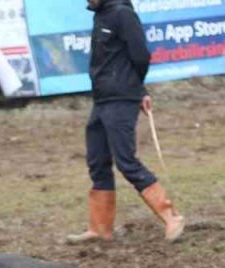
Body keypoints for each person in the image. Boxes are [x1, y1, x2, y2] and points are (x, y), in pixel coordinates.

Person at [67, 0, 185, 244]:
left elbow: (140, 56)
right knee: (97, 162)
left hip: (121, 99)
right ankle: (100, 228)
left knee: (126, 161)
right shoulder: (100, 15)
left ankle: (171, 216)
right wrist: (140, 90)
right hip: (101, 100)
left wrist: (135, 89)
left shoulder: (123, 14)